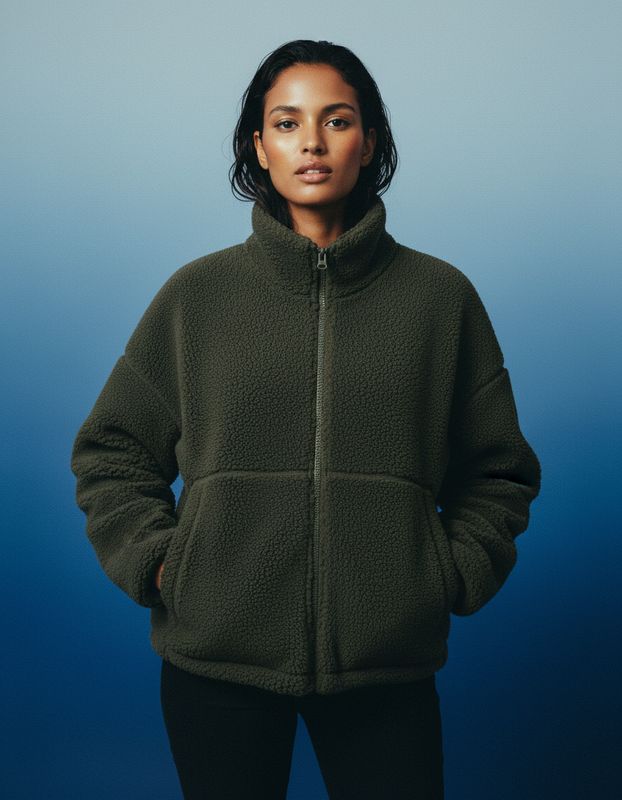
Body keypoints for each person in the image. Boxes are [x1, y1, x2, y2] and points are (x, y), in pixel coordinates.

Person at [70, 39, 542, 799]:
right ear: (259, 146)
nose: (312, 143)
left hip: (386, 666)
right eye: (287, 123)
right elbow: (111, 452)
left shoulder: (439, 299)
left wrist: (445, 574)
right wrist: (164, 564)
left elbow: (499, 470)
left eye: (337, 120)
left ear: (371, 140)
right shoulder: (198, 298)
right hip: (215, 661)